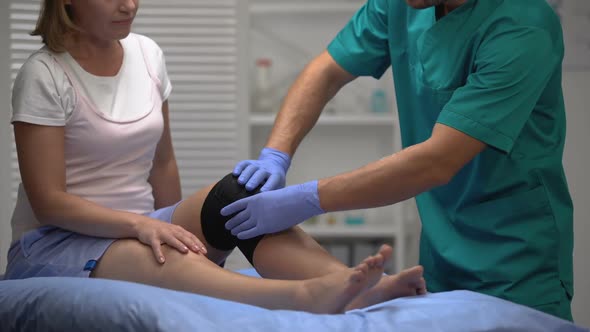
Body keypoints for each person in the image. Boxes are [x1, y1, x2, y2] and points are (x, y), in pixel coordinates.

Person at [4, 0, 428, 314]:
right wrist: (143, 227)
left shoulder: (147, 55)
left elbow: (163, 161)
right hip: (57, 243)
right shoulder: (45, 74)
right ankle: (302, 296)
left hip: (140, 226)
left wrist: (175, 221)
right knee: (160, 254)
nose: (129, 5)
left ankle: (354, 287)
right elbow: (49, 201)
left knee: (239, 195)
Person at [225, 0, 574, 321]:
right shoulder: (404, 5)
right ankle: (349, 288)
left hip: (515, 261)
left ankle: (346, 288)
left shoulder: (523, 26)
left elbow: (436, 161)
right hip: (441, 253)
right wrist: (276, 154)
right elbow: (326, 70)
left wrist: (306, 199)